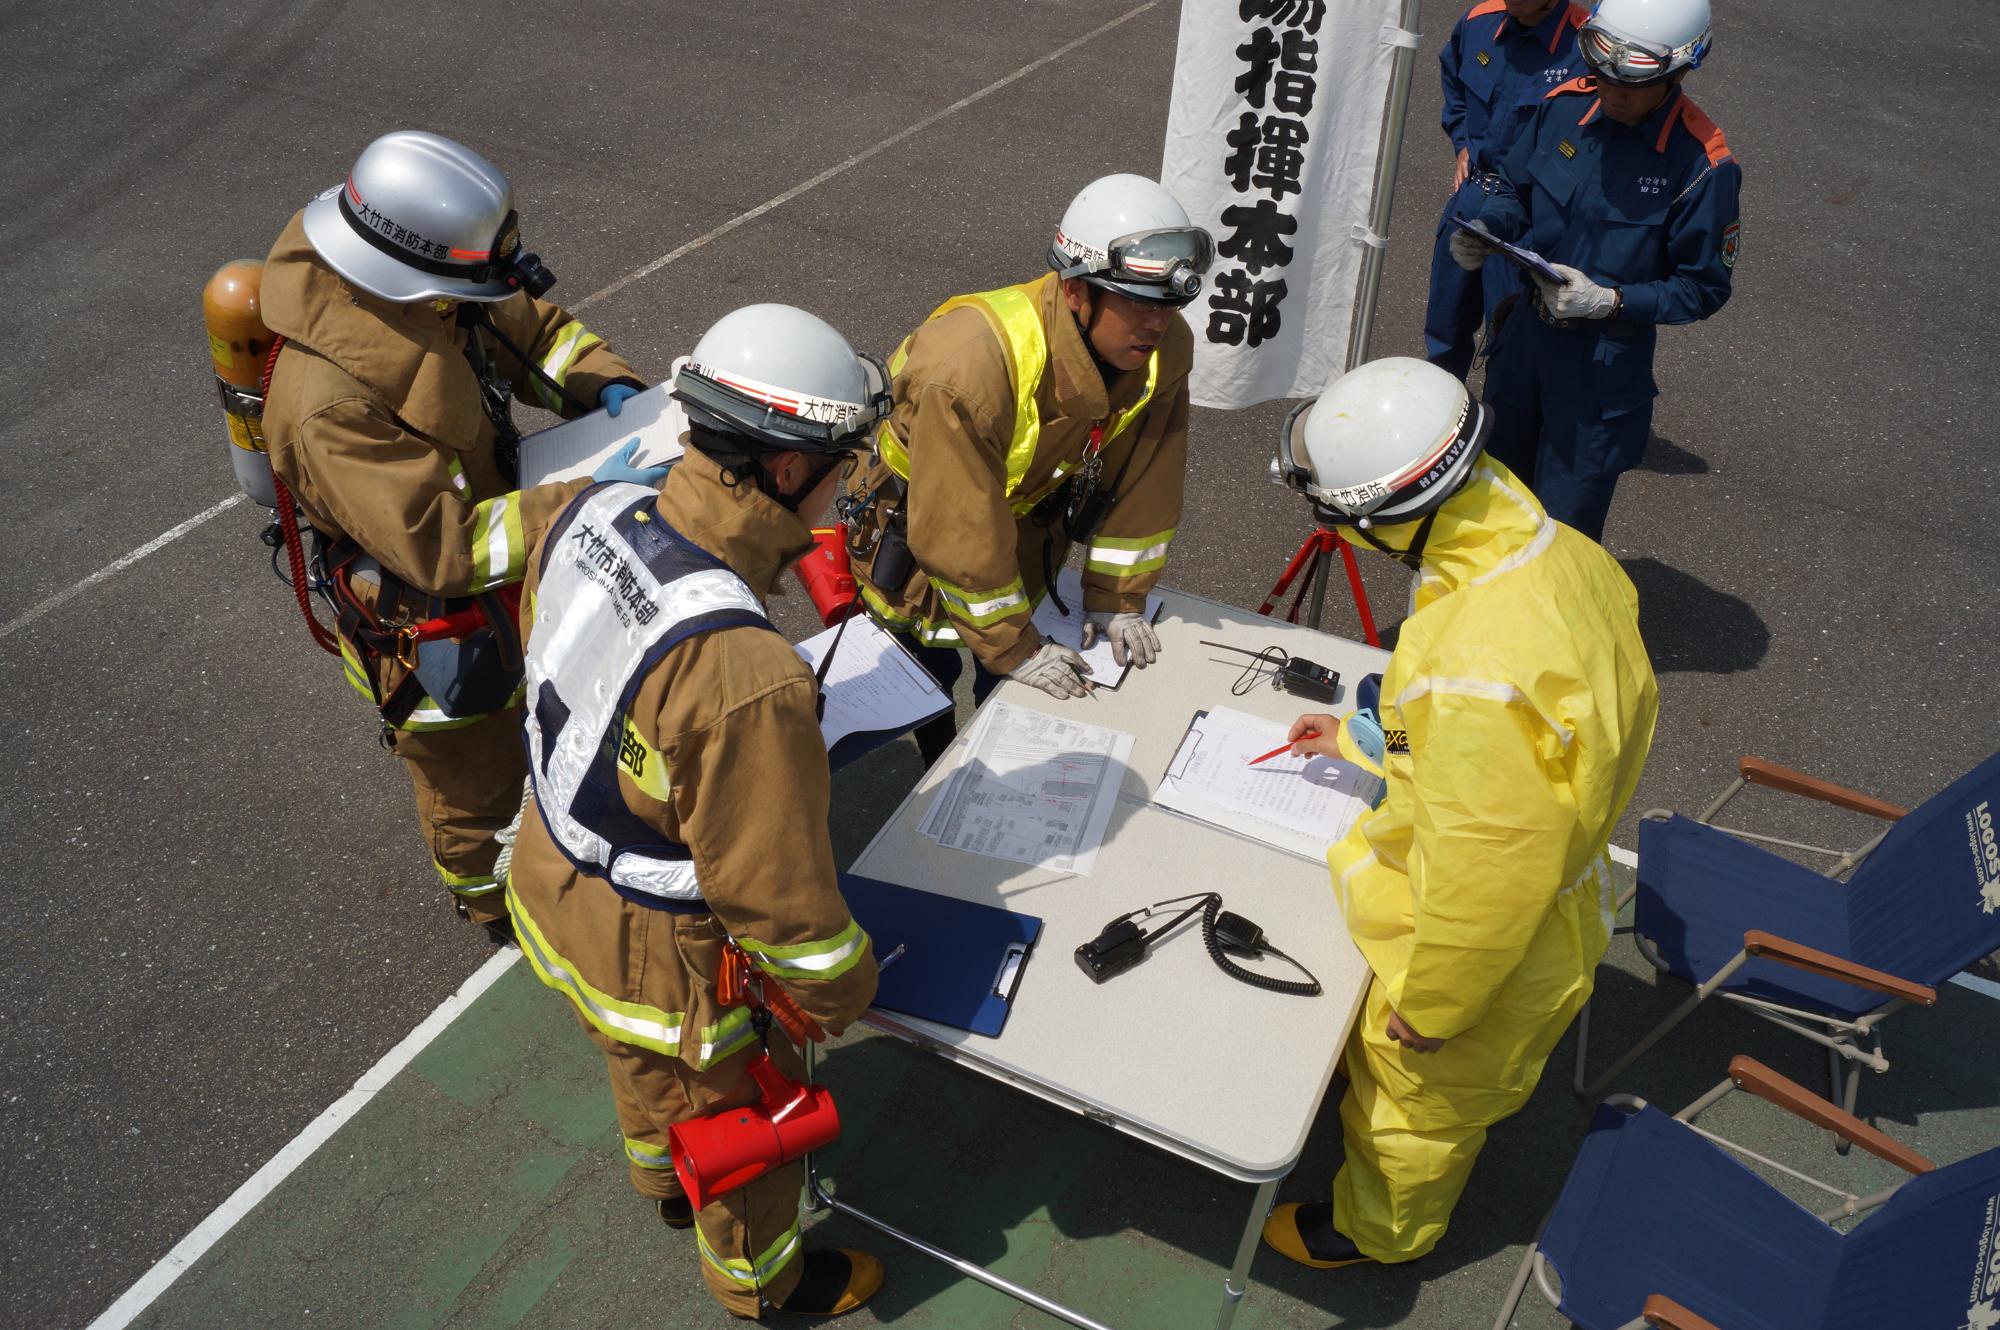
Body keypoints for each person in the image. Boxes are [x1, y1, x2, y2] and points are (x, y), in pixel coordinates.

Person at [502, 305, 888, 1320]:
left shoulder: (595, 506)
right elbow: (774, 900)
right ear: (788, 469)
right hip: (661, 948)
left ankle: (657, 1177)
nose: (846, 479)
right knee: (734, 1120)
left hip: (553, 873)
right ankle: (763, 1285)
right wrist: (846, 990)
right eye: (841, 459)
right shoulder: (744, 673)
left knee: (633, 1060)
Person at [1257, 357, 1658, 1270]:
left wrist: (1435, 1008)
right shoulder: (1555, 556)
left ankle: (1374, 1232)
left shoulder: (1479, 657)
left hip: (1482, 959)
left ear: (1386, 514)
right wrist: (1364, 743)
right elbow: (1462, 758)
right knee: (1400, 1081)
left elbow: (1488, 873)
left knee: (1415, 1109)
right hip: (1536, 901)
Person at [261, 130, 667, 941]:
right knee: (475, 793)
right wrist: (584, 496)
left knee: (568, 728)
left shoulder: (434, 285)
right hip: (433, 631)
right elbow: (441, 549)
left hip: (517, 567)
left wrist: (607, 382)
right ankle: (492, 907)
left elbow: (535, 329)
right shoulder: (330, 407)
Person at [844, 174, 1208, 762]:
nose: (1157, 323)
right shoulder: (969, 368)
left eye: (1169, 305)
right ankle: (931, 766)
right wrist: (1016, 648)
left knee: (1014, 697)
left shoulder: (1161, 349)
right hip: (913, 531)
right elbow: (956, 528)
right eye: (1138, 303)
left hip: (1017, 530)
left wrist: (1115, 599)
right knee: (916, 670)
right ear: (1075, 292)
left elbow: (1147, 476)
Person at [1451, 0, 1739, 541]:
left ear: (1678, 73)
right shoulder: (1564, 107)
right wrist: (1487, 228)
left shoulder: (1702, 166)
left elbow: (1702, 287)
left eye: (1630, 88)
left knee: (1563, 535)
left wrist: (1611, 301)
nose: (1611, 95)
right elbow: (1514, 187)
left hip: (1600, 371)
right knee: (1490, 504)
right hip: (1524, 343)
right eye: (1601, 78)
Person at [1424, 0, 1589, 378]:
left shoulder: (1586, 45)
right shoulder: (1479, 22)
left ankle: (1500, 433)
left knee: (1510, 343)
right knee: (1444, 329)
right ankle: (1441, 424)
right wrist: (1462, 137)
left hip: (1526, 223)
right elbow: (1453, 73)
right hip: (1469, 202)